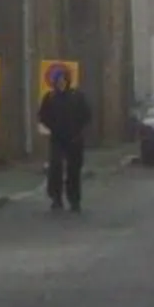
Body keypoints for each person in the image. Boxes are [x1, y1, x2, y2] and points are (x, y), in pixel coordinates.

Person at [37, 72, 94, 211]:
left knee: (73, 170)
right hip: (57, 138)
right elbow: (42, 115)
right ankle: (56, 198)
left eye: (63, 81)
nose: (61, 83)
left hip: (74, 138)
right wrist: (52, 126)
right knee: (55, 167)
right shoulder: (50, 97)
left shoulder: (77, 97)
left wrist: (78, 129)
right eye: (58, 81)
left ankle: (74, 200)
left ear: (68, 82)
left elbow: (87, 114)